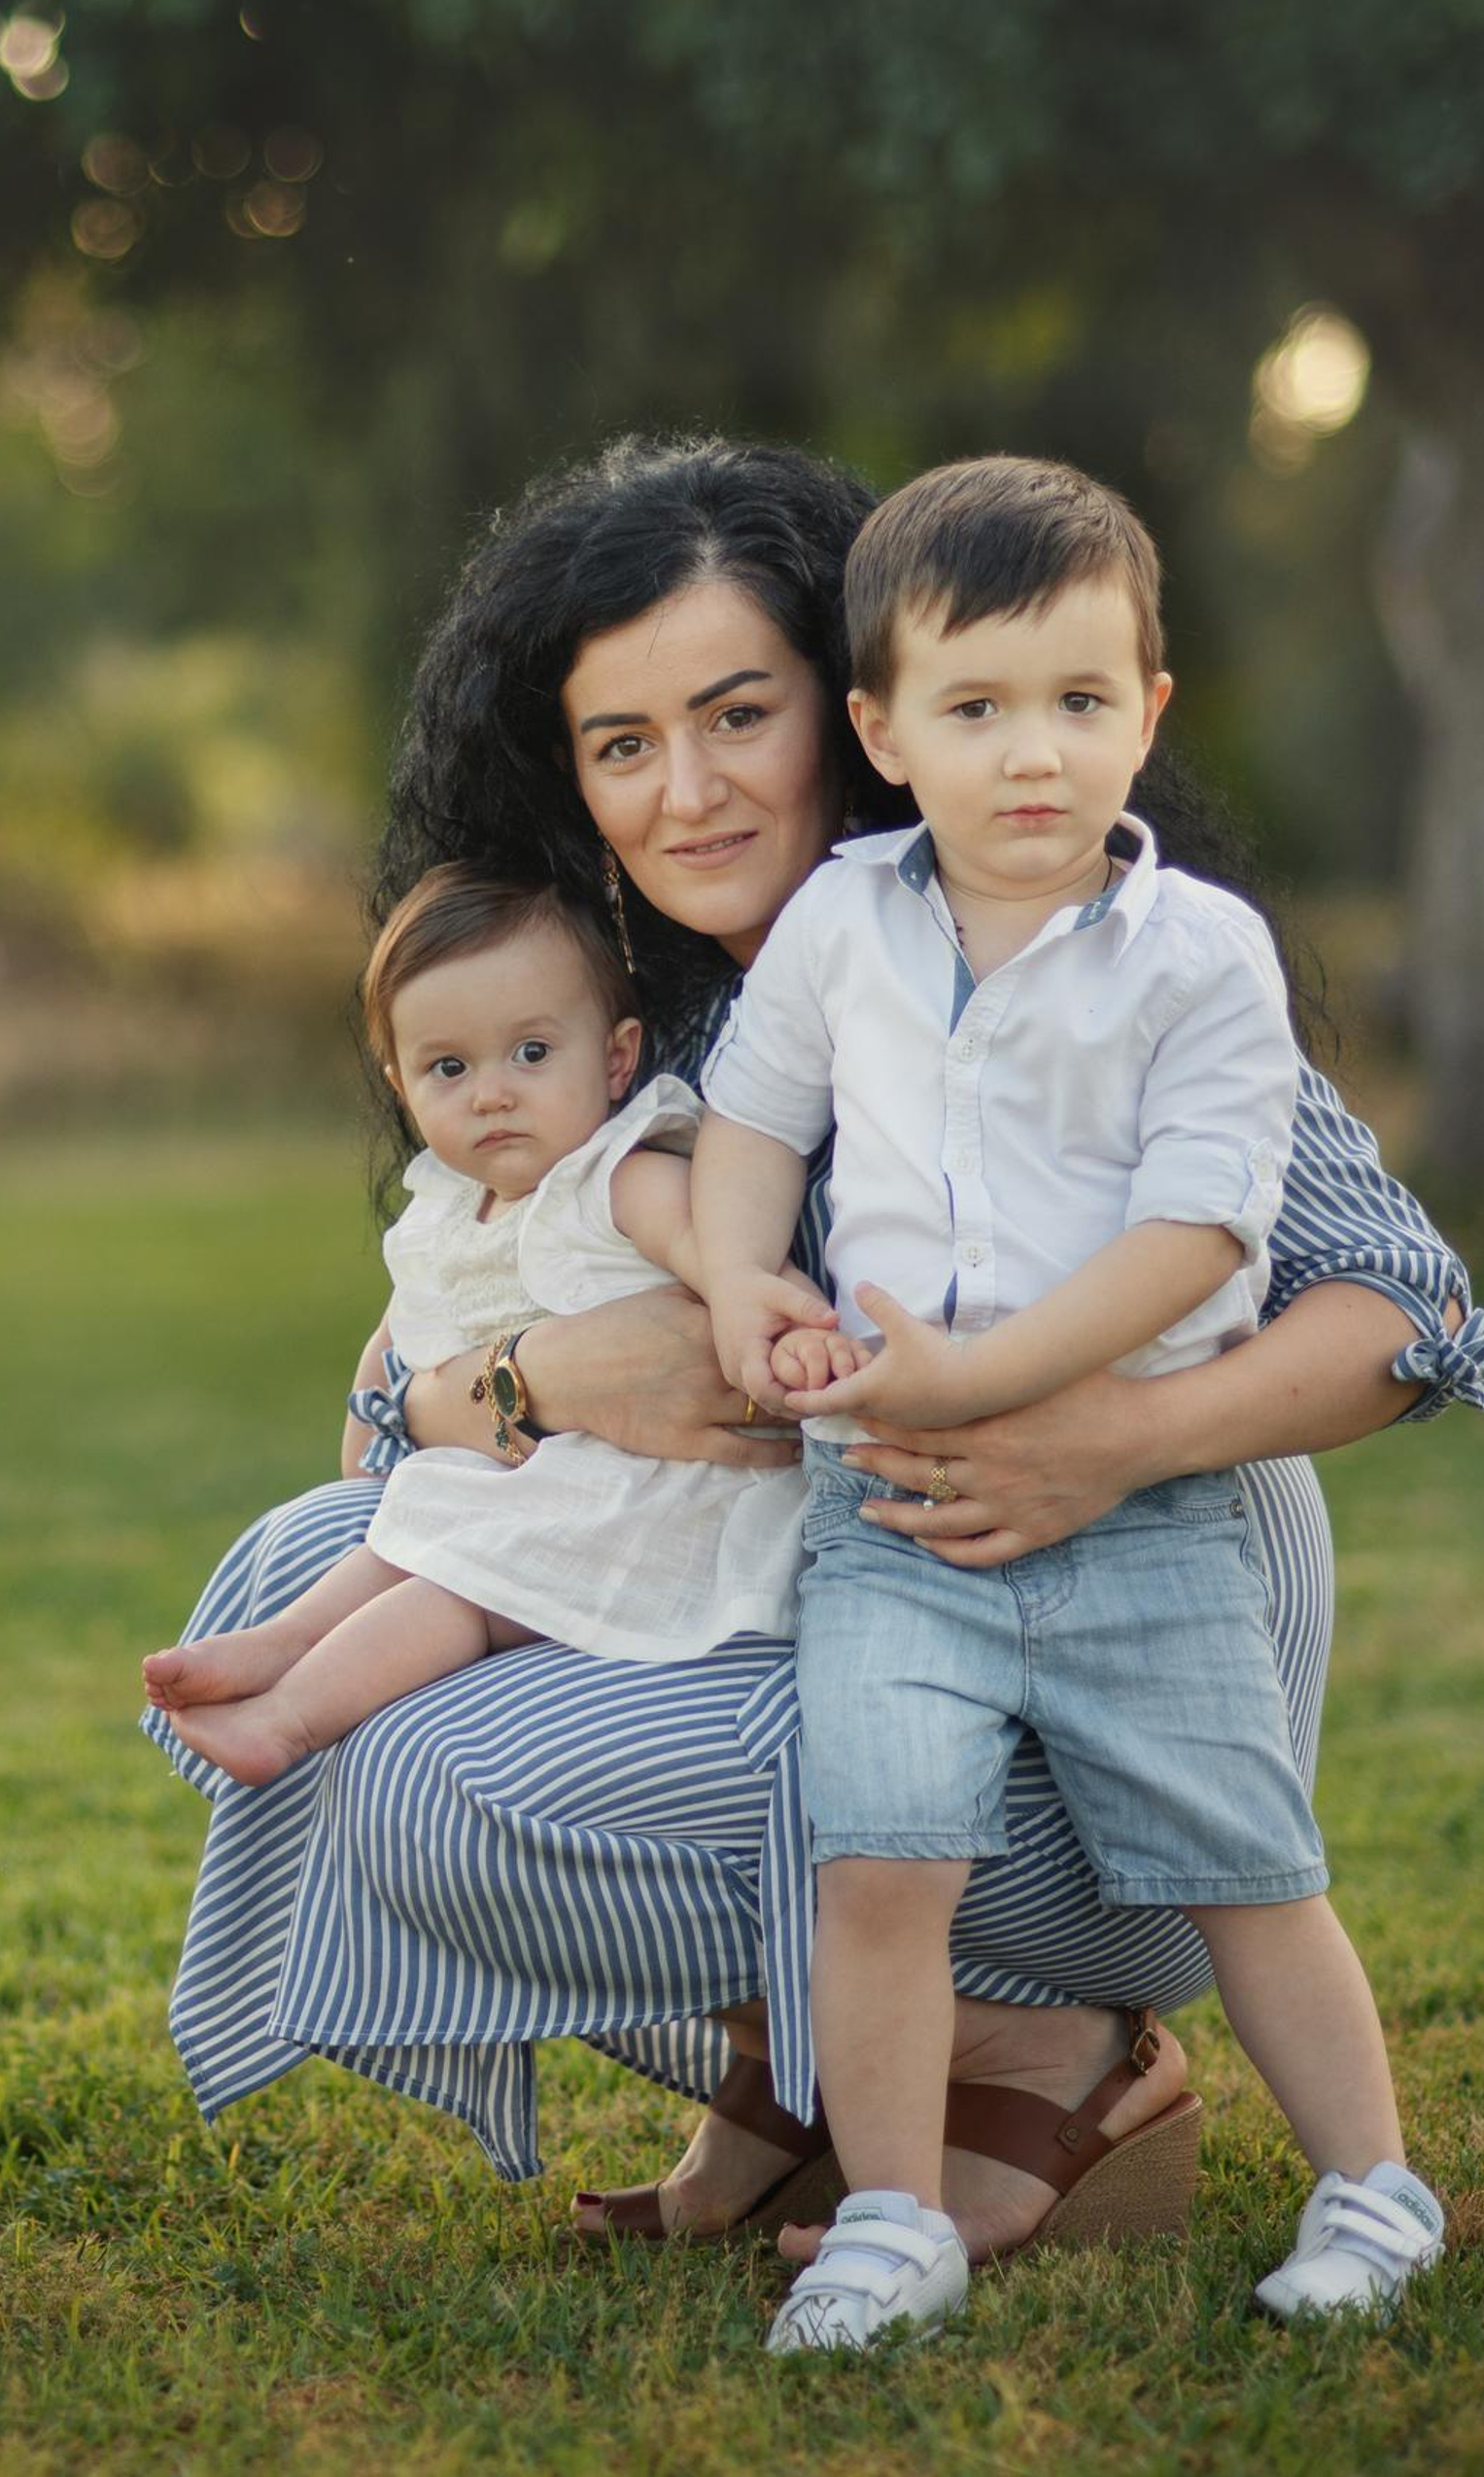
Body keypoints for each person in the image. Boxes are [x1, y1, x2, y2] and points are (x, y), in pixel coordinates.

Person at [140, 435, 1480, 2266]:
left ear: (852, 718)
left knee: (445, 1782)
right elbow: (400, 1396)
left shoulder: (1090, 956)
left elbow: (1418, 1315)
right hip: (857, 1589)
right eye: (625, 746)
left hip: (1126, 1588)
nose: (685, 792)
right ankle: (810, 2078)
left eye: (735, 715)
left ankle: (1048, 2039)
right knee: (306, 1565)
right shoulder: (625, 1016)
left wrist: (1103, 1435)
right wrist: (544, 1383)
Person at [692, 456, 1444, 2349]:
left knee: (1239, 1865)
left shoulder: (1197, 955)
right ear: (877, 730)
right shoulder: (842, 921)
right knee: (877, 1858)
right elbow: (752, 1119)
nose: (1030, 752)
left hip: (1145, 1521)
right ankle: (885, 2214)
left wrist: (984, 1377)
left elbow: (1199, 1233)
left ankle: (1369, 2180)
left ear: (1146, 710)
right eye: (973, 706)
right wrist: (739, 1282)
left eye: (1077, 700)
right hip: (892, 1513)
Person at [147, 863, 807, 1787]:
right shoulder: (447, 1214)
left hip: (659, 1496)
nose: (491, 1093)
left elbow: (718, 1251)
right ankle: (283, 1644)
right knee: (412, 1528)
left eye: (532, 1054)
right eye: (449, 1068)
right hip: (540, 1480)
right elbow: (374, 1412)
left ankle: (291, 1717)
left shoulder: (618, 1172)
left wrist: (759, 1308)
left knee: (459, 1585)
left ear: (617, 1059)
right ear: (402, 1085)